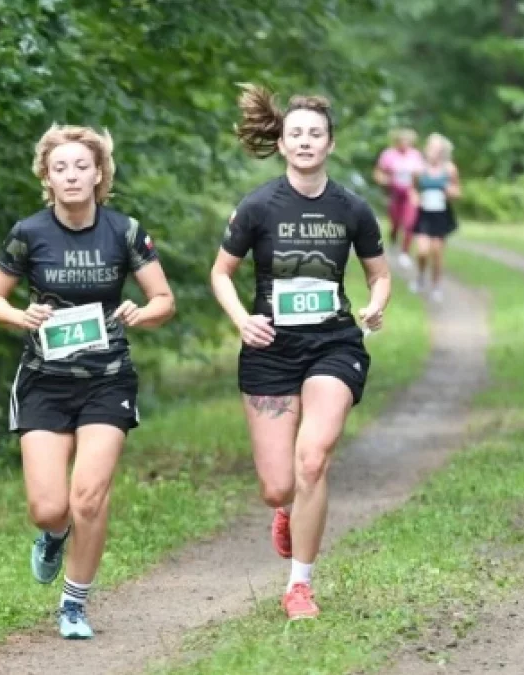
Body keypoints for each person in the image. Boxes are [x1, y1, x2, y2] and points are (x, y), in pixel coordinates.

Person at [0, 124, 176, 639]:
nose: (71, 176)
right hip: (44, 380)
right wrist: (19, 315)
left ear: (99, 174)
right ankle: (53, 534)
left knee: (89, 495)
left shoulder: (124, 231)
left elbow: (164, 300)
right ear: (47, 175)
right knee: (50, 507)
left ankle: (74, 604)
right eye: (60, 167)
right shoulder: (29, 232)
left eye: (81, 167)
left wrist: (141, 311)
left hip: (107, 379)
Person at [210, 84, 391, 620]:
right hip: (270, 348)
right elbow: (221, 273)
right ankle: (286, 511)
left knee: (313, 459)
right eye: (296, 134)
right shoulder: (258, 206)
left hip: (333, 343)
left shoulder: (351, 207)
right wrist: (243, 320)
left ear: (330, 144)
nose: (306, 141)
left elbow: (378, 275)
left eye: (316, 133)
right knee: (277, 486)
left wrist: (375, 306)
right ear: (283, 144)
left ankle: (300, 586)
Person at [410, 133, 462, 301]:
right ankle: (420, 278)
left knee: (437, 252)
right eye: (431, 147)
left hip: (441, 215)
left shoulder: (450, 169)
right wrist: (415, 198)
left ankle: (436, 286)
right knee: (422, 251)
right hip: (424, 214)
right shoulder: (419, 170)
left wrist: (450, 192)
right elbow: (412, 189)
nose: (434, 151)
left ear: (443, 151)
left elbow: (457, 192)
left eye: (437, 149)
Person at [373, 128, 424, 269]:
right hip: (394, 193)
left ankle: (405, 252)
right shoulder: (389, 154)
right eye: (402, 141)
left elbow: (420, 176)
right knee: (395, 223)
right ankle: (394, 241)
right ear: (397, 142)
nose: (405, 144)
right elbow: (378, 173)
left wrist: (417, 189)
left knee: (409, 223)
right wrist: (385, 180)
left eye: (408, 141)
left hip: (409, 193)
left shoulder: (415, 155)